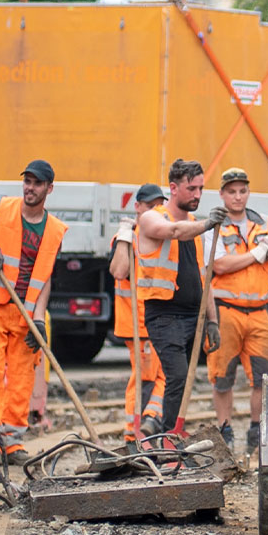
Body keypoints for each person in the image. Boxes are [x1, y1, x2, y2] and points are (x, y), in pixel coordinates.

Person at [0, 159, 68, 466]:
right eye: (27, 182)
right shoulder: (1, 208)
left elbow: (44, 278)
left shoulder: (55, 230)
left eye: (36, 183)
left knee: (22, 377)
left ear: (49, 188)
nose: (29, 188)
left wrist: (38, 317)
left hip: (25, 312)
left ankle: (13, 442)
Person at [136, 159, 227, 432]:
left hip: (192, 316)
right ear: (173, 188)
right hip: (164, 314)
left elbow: (205, 277)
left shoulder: (198, 227)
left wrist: (212, 320)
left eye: (200, 188)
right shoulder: (152, 217)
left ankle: (173, 431)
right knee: (176, 376)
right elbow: (173, 231)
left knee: (186, 380)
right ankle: (165, 434)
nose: (197, 195)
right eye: (191, 189)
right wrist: (208, 224)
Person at [202, 168, 268, 451]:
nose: (238, 197)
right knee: (222, 376)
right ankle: (225, 431)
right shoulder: (215, 226)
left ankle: (255, 430)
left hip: (260, 311)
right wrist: (257, 254)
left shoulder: (265, 223)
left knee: (266, 375)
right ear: (223, 194)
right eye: (232, 191)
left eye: (242, 191)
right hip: (226, 312)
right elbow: (220, 265)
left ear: (248, 193)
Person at [108, 183, 168, 448]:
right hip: (139, 322)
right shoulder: (128, 238)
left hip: (156, 320)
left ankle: (146, 425)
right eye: (150, 205)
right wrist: (124, 235)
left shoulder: (159, 235)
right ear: (138, 208)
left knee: (160, 375)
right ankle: (138, 431)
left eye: (159, 205)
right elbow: (119, 271)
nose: (156, 210)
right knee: (146, 379)